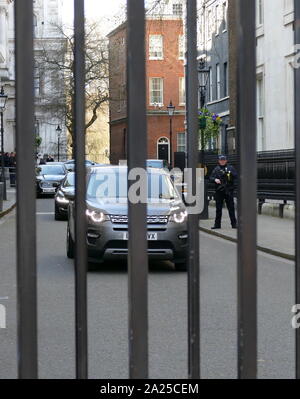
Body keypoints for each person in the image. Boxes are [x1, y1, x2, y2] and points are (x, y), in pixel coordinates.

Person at [209, 155, 237, 230]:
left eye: (224, 160)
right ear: (219, 161)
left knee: (231, 208)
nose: (222, 161)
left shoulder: (230, 168)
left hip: (228, 190)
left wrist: (230, 174)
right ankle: (217, 224)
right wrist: (215, 179)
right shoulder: (216, 169)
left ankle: (234, 224)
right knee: (218, 209)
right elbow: (211, 177)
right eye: (221, 160)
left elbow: (235, 176)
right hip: (219, 191)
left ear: (226, 161)